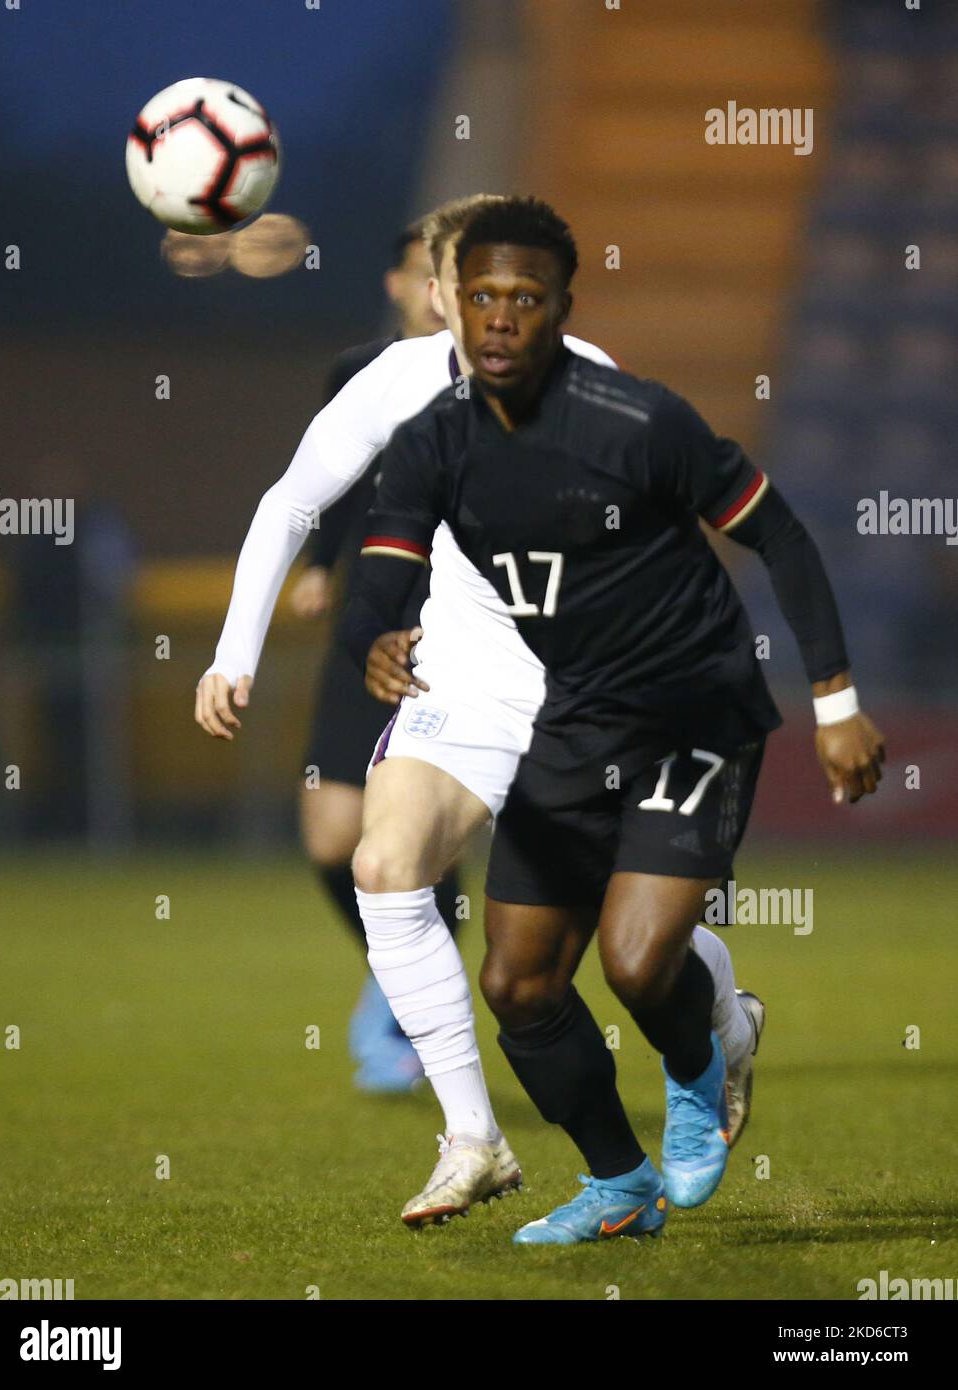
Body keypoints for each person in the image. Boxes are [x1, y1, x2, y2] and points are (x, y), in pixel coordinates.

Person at [195, 194, 761, 1229]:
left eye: (486, 286)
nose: (463, 304)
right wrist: (233, 653)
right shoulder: (400, 383)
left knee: (621, 942)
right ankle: (472, 1137)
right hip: (459, 686)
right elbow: (294, 503)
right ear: (438, 294)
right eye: (449, 285)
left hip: (582, 695)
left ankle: (721, 1017)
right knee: (381, 863)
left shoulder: (587, 383)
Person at [342, 196, 885, 1245]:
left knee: (635, 961)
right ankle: (616, 1181)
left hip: (694, 711)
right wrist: (373, 632)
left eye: (526, 299)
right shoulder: (433, 445)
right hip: (576, 718)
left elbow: (780, 535)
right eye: (483, 296)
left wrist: (836, 703)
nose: (501, 318)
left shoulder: (637, 422)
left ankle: (698, 1072)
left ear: (562, 311)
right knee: (517, 981)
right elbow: (381, 570)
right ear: (450, 303)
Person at [288, 222, 452, 1093]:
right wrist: (318, 567)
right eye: (427, 272)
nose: (439, 289)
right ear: (397, 282)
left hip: (454, 632)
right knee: (328, 832)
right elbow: (334, 481)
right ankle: (400, 970)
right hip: (368, 619)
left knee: (426, 839)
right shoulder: (359, 372)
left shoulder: (489, 381)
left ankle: (419, 1008)